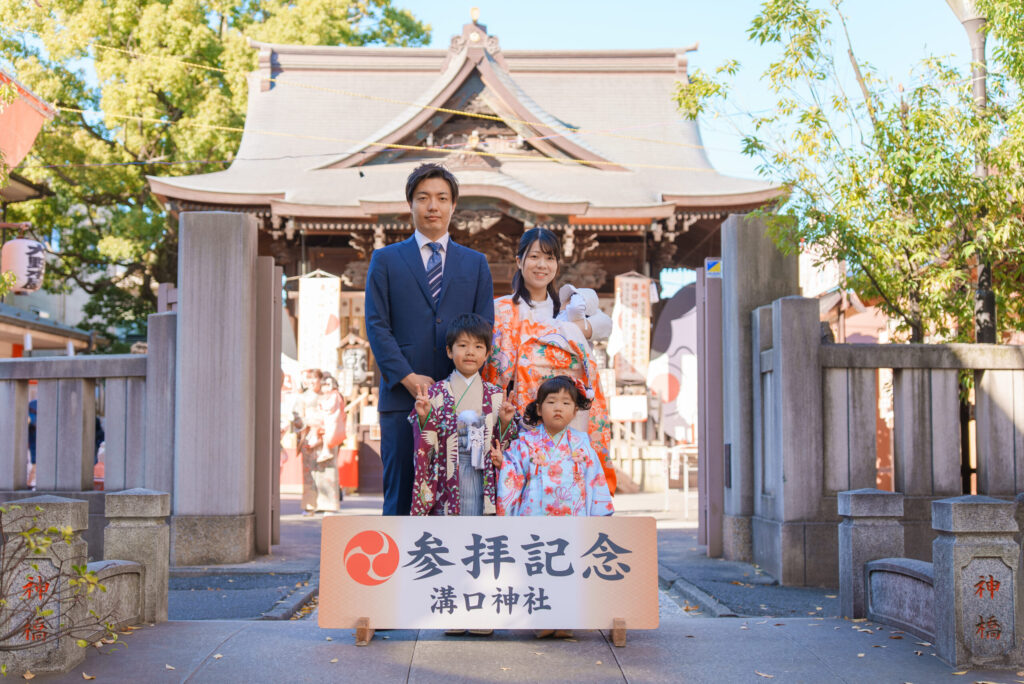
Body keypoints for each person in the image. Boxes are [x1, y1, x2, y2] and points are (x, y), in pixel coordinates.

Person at [365, 163, 494, 516]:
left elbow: (484, 329)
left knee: (462, 495)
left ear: (454, 206)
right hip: (401, 398)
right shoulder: (385, 260)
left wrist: (462, 384)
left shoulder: (475, 263)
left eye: (441, 198)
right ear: (411, 205)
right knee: (402, 494)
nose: (432, 206)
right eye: (423, 198)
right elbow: (377, 325)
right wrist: (407, 378)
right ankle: (399, 571)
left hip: (463, 401)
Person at [482, 227, 617, 493]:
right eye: (534, 257)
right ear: (519, 261)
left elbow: (606, 326)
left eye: (550, 257)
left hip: (567, 420)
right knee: (522, 495)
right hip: (520, 421)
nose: (542, 265)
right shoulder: (501, 309)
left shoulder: (569, 311)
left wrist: (577, 327)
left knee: (566, 495)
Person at [409, 313, 517, 517]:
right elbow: (425, 442)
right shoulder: (435, 393)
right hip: (447, 469)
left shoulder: (496, 395)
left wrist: (504, 422)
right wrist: (424, 417)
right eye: (463, 345)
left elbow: (507, 443)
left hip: (483, 471)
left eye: (478, 347)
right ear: (449, 351)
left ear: (487, 354)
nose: (470, 352)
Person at [494, 375, 613, 517]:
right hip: (533, 521)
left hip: (574, 522)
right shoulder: (526, 442)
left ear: (575, 411)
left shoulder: (582, 445)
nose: (558, 408)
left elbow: (595, 482)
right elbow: (513, 473)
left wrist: (598, 522)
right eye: (551, 402)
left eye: (566, 403)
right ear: (539, 409)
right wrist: (504, 464)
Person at [294, 368, 340, 514]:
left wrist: (326, 425)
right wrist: (309, 422)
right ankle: (310, 505)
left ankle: (329, 505)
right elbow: (296, 418)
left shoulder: (328, 395)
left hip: (325, 435)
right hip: (309, 436)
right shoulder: (302, 398)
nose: (313, 381)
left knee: (328, 471)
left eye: (316, 378)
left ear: (321, 379)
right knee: (310, 472)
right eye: (310, 378)